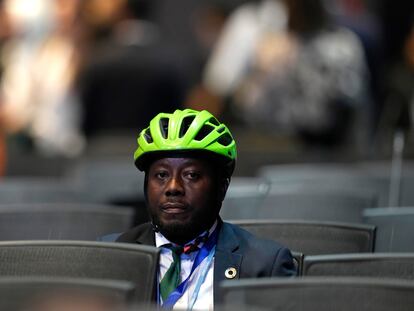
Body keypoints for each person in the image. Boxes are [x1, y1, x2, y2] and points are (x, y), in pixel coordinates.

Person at [113, 108, 296, 309]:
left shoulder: (265, 265)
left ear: (222, 188)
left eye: (191, 175)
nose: (173, 187)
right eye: (161, 175)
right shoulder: (109, 256)